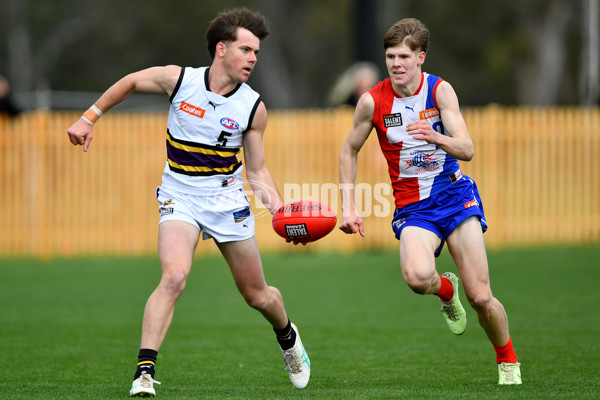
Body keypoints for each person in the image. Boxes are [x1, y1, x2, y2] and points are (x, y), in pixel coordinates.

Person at [67, 8, 310, 397]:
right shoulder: (180, 81)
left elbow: (258, 171)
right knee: (174, 276)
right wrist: (89, 118)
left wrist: (280, 213)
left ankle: (288, 337)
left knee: (256, 294)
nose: (252, 59)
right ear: (220, 49)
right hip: (179, 194)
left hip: (226, 198)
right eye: (246, 50)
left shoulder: (252, 107)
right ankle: (144, 373)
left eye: (256, 53)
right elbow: (131, 81)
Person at [338, 18, 521, 385]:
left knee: (482, 298)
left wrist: (436, 137)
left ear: (420, 57)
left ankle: (508, 361)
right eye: (390, 56)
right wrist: (349, 206)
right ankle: (445, 289)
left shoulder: (440, 92)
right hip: (413, 207)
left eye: (404, 56)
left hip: (454, 197)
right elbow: (349, 151)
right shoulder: (372, 101)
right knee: (417, 277)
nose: (396, 63)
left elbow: (467, 148)